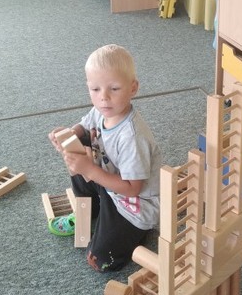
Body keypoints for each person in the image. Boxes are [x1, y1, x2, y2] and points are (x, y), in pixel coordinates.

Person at [48, 44, 161, 272]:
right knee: (80, 144)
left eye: (114, 89)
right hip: (109, 184)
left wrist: (90, 170)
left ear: (133, 88)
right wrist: (70, 134)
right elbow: (84, 125)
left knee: (100, 261)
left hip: (134, 206)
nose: (104, 98)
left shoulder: (132, 137)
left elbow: (132, 189)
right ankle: (92, 211)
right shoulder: (101, 110)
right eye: (95, 89)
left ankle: (137, 232)